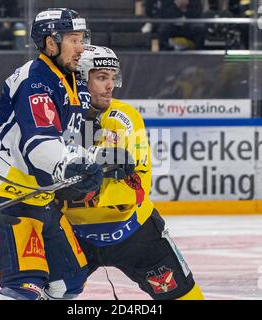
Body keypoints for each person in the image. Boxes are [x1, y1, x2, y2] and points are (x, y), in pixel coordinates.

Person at [0, 8, 104, 300]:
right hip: (4, 197)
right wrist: (72, 165)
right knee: (25, 287)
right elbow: (40, 146)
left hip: (39, 197)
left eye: (82, 39)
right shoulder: (35, 80)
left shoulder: (75, 80)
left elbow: (79, 137)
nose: (81, 47)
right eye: (72, 39)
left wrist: (107, 159)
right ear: (50, 43)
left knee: (69, 282)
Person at [57, 45, 204, 300]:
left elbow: (136, 187)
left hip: (135, 235)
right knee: (39, 293)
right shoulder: (56, 118)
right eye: (102, 77)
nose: (110, 86)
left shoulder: (125, 117)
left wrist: (81, 188)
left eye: (113, 78)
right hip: (76, 236)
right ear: (80, 78)